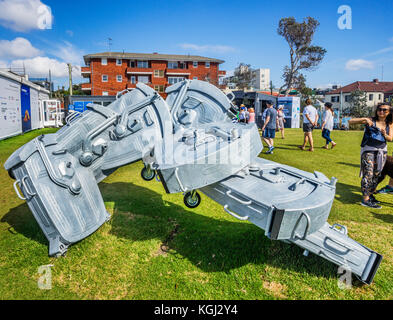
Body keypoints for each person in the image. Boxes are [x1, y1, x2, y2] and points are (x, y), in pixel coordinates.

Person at [348, 103, 393, 209]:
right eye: (379, 109)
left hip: (382, 151)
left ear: (389, 112)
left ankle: (370, 194)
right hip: (368, 149)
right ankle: (366, 200)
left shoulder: (389, 123)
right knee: (368, 173)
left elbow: (390, 138)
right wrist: (364, 119)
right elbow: (350, 122)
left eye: (384, 110)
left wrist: (385, 134)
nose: (381, 112)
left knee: (377, 175)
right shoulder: (371, 120)